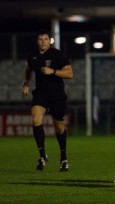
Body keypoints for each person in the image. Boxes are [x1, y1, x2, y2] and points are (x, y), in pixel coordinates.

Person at [22, 30, 73, 171]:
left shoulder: (57, 55)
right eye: (40, 39)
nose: (43, 41)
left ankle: (63, 157)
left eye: (45, 39)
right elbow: (28, 69)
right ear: (37, 41)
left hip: (57, 95)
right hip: (41, 94)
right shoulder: (33, 56)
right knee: (36, 118)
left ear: (50, 41)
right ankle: (42, 155)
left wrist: (54, 71)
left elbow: (70, 73)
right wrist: (26, 82)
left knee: (59, 128)